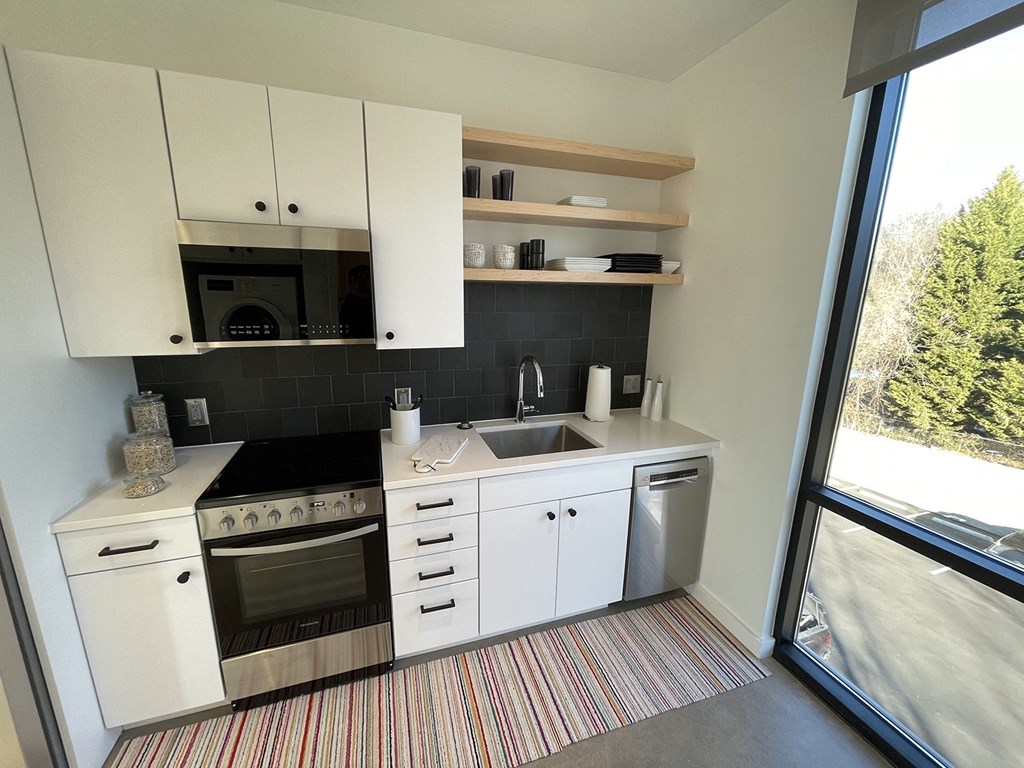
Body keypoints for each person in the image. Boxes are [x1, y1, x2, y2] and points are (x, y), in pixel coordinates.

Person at [338, 263, 374, 338]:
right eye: (360, 277)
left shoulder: (375, 301)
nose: (364, 280)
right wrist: (354, 292)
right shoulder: (349, 303)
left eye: (367, 276)